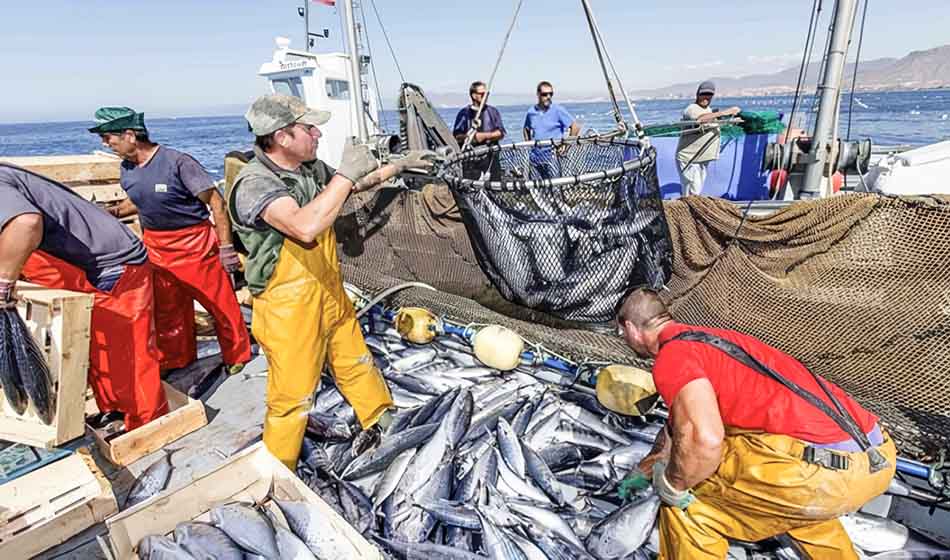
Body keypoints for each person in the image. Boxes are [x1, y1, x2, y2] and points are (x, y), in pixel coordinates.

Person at [227, 94, 435, 468]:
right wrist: (343, 174)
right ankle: (279, 470)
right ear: (282, 137)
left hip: (326, 289)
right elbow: (304, 226)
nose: (318, 133)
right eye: (309, 128)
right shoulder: (254, 183)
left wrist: (399, 166)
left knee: (355, 358)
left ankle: (381, 419)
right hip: (286, 305)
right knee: (293, 395)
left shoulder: (306, 169)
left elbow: (351, 186)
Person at [615, 288, 896, 560]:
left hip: (816, 476)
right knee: (780, 504)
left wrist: (673, 485)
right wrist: (642, 471)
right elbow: (676, 433)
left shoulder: (672, 358)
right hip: (873, 460)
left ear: (631, 328)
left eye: (621, 333)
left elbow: (705, 441)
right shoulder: (715, 340)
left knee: (690, 507)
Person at [0, 163, 168, 430]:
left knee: (128, 352)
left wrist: (4, 284)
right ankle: (115, 412)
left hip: (114, 265)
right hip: (82, 264)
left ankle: (148, 424)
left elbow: (27, 224)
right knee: (95, 346)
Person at [91, 107, 252, 375]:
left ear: (130, 135)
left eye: (108, 137)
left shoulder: (178, 162)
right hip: (156, 247)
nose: (105, 143)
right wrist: (117, 211)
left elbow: (216, 203)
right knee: (168, 311)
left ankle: (237, 355)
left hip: (195, 244)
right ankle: (178, 360)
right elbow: (138, 197)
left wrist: (225, 248)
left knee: (219, 304)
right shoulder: (128, 168)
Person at [675, 81, 741, 197]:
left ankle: (689, 211)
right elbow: (701, 120)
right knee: (693, 192)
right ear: (697, 94)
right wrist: (726, 112)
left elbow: (711, 122)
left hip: (702, 159)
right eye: (703, 94)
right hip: (689, 159)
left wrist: (730, 121)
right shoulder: (692, 109)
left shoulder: (709, 110)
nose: (706, 97)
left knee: (695, 192)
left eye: (709, 95)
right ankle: (686, 212)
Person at [523, 81, 580, 179]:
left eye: (551, 94)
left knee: (555, 188)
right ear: (538, 94)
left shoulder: (558, 110)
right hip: (535, 157)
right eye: (545, 94)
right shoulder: (531, 112)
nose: (548, 97)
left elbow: (575, 127)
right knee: (536, 189)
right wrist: (529, 144)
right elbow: (526, 128)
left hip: (552, 156)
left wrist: (565, 146)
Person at [452, 81, 507, 180]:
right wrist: (470, 138)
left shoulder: (493, 112)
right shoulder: (464, 114)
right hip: (471, 162)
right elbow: (456, 137)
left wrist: (484, 136)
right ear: (474, 95)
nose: (485, 97)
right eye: (482, 94)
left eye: (487, 94)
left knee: (494, 189)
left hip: (491, 161)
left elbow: (501, 133)